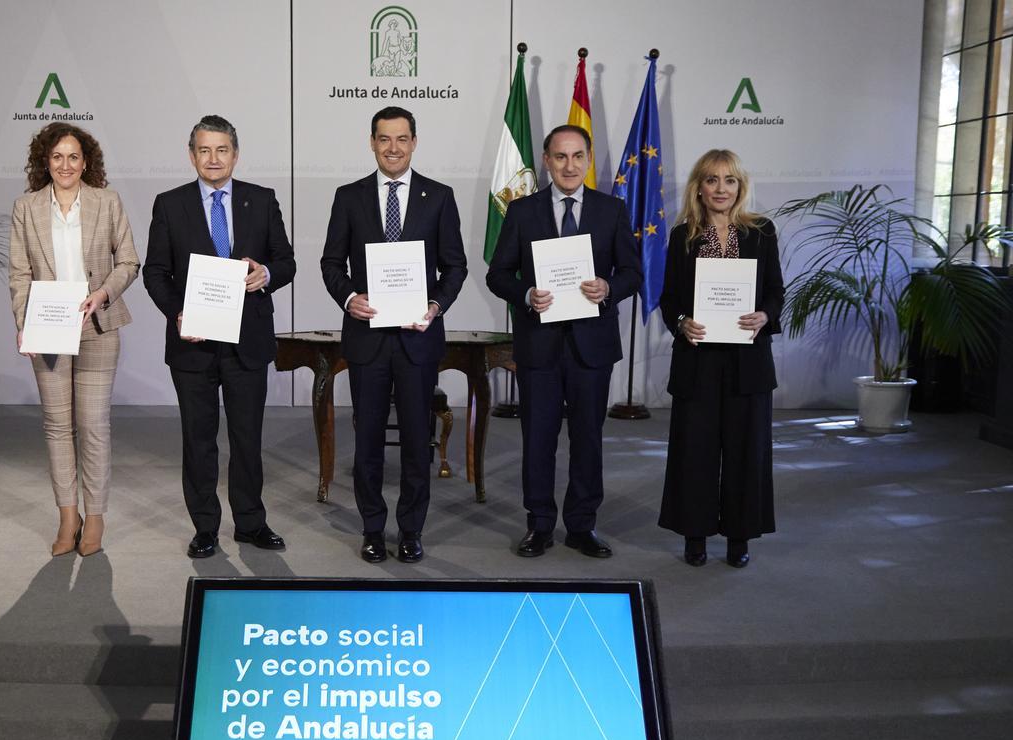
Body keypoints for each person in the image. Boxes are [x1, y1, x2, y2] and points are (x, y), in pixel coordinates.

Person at [142, 115, 296, 558]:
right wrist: (179, 312)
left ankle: (250, 523)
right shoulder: (169, 204)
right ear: (192, 156)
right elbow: (156, 271)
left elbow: (285, 260)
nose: (213, 158)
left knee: (247, 437)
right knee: (199, 439)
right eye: (204, 150)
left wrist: (265, 273)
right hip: (193, 344)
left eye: (222, 150)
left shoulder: (261, 200)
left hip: (247, 341)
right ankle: (205, 527)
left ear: (235, 154)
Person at [486, 124, 642, 559]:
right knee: (538, 439)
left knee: (588, 439)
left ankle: (581, 526)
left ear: (589, 160)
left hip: (592, 348)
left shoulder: (612, 210)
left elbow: (633, 273)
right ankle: (538, 525)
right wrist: (526, 295)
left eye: (577, 156)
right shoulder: (522, 211)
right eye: (560, 156)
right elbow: (497, 274)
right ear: (547, 161)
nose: (569, 165)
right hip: (539, 346)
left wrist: (608, 288)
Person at [320, 106, 467, 564]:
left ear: (414, 142)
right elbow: (330, 263)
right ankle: (371, 528)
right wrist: (349, 299)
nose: (393, 148)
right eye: (384, 139)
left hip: (418, 338)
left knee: (416, 441)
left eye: (402, 139)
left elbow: (456, 266)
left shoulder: (439, 196)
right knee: (366, 441)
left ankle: (410, 530)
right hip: (367, 338)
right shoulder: (349, 196)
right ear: (371, 143)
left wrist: (435, 306)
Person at [9, 122, 140, 557]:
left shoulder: (107, 201)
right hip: (47, 326)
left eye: (74, 157)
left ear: (87, 162)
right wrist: (21, 321)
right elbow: (20, 274)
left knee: (93, 424)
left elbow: (128, 261)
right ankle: (68, 516)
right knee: (57, 426)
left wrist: (103, 293)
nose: (65, 165)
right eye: (57, 157)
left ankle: (96, 516)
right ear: (45, 161)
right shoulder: (26, 207)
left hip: (97, 325)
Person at [658, 149, 784, 568]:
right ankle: (695, 535)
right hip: (699, 360)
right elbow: (669, 299)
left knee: (746, 452)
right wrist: (681, 322)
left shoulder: (762, 232)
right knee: (695, 451)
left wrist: (765, 315)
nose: (721, 188)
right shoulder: (682, 236)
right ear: (700, 186)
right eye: (712, 180)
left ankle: (738, 537)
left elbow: (775, 291)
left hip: (748, 362)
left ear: (740, 186)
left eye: (729, 180)